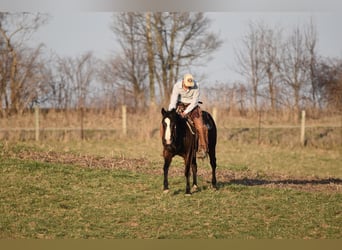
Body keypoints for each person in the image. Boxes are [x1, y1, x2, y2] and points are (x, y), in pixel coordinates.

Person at [168, 73, 208, 158]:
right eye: (186, 85)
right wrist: (170, 112)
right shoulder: (176, 86)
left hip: (192, 107)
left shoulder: (197, 86)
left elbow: (194, 101)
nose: (188, 87)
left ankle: (203, 148)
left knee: (200, 126)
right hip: (180, 105)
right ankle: (169, 145)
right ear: (183, 82)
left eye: (190, 86)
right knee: (170, 124)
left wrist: (185, 112)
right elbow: (173, 100)